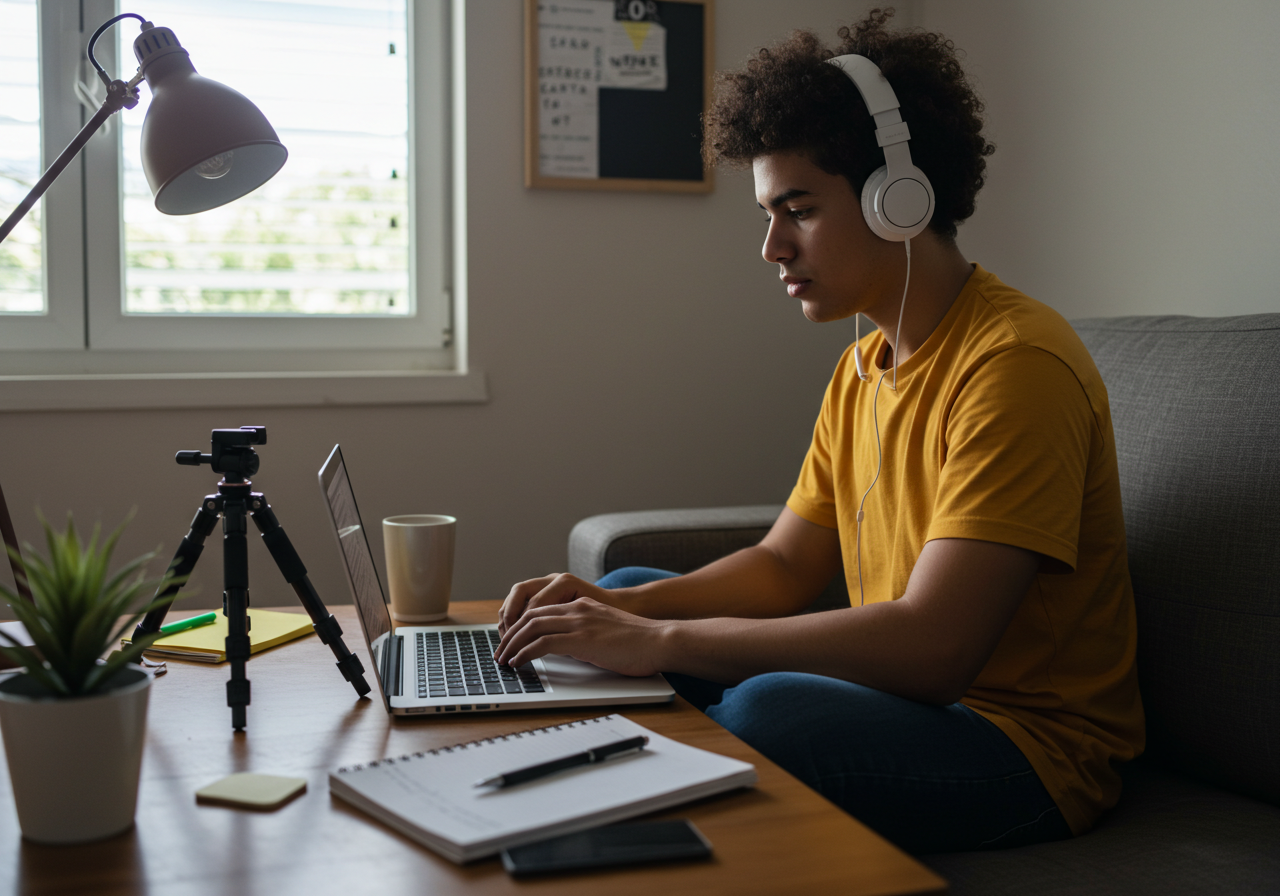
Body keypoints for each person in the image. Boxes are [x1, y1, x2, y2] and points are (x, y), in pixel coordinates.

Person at [494, 8, 1143, 855]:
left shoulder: (1014, 365)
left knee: (768, 705)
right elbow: (782, 567)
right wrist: (618, 607)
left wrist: (658, 639)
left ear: (900, 197)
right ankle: (630, 781)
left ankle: (640, 788)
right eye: (769, 213)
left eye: (797, 209)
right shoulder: (862, 366)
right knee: (639, 574)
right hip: (922, 706)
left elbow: (935, 647)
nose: (771, 247)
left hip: (1024, 750)